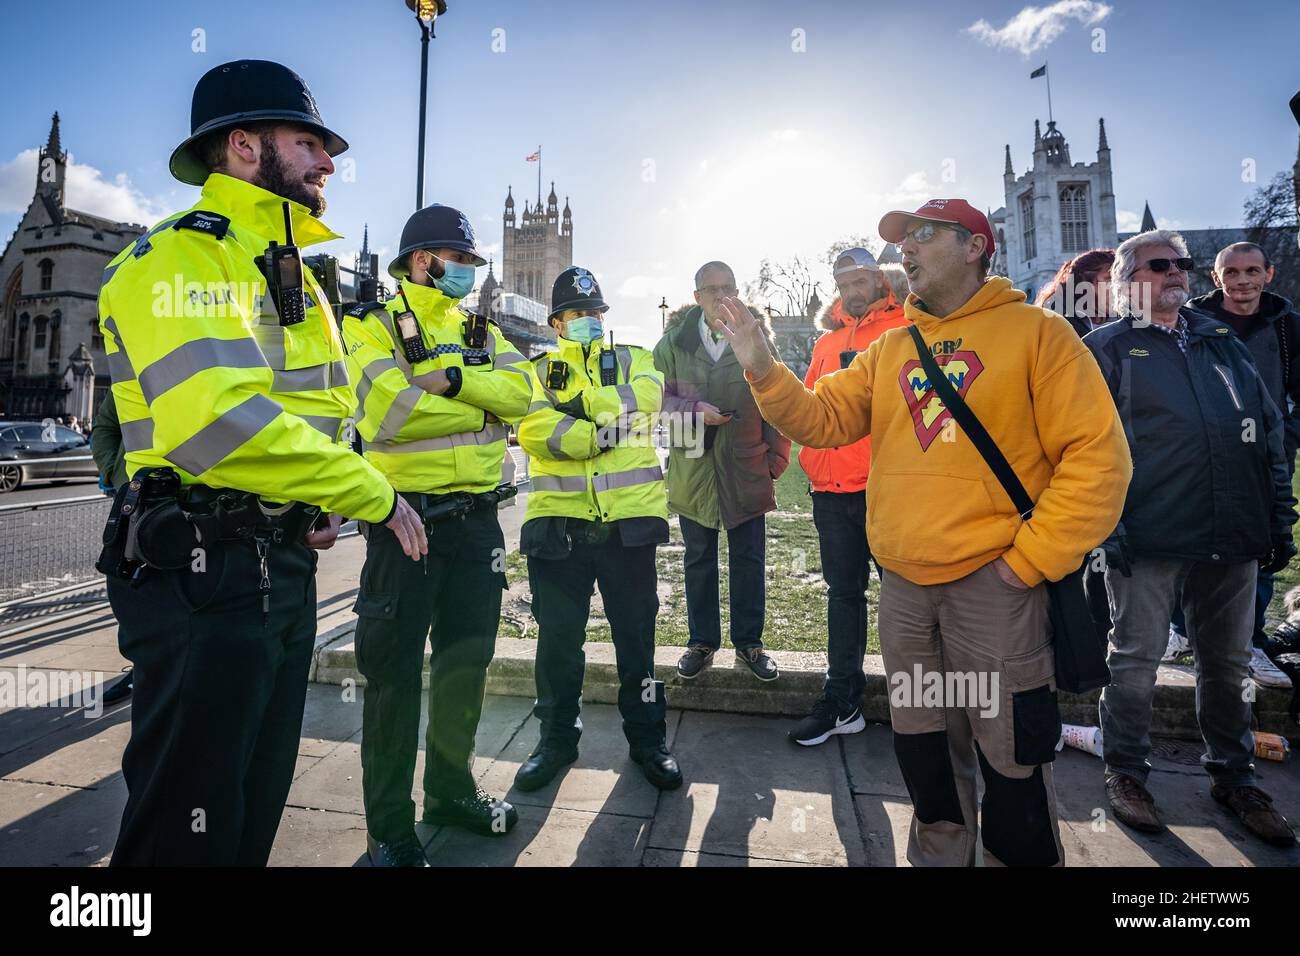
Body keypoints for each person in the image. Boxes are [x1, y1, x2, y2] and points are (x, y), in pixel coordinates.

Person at [722, 198, 1131, 866]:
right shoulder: (891, 349)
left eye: (924, 235)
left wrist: (1026, 564)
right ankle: (940, 854)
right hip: (907, 593)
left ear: (974, 247)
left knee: (1010, 749)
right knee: (925, 741)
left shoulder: (1037, 334)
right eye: (902, 239)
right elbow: (824, 421)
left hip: (996, 588)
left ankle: (1016, 857)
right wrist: (763, 367)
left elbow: (1098, 463)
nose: (906, 249)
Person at [98, 59, 425, 866]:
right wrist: (370, 492)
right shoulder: (178, 257)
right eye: (308, 141)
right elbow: (215, 422)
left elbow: (319, 410)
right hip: (202, 580)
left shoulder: (297, 275)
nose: (328, 162)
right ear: (244, 146)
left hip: (279, 568)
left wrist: (312, 505)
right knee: (185, 834)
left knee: (248, 821)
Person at [1086, 230, 1297, 847]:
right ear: (1128, 281)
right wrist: (1111, 526)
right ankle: (1125, 771)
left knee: (1227, 666)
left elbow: (1270, 435)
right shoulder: (1109, 349)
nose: (1178, 272)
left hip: (1233, 534)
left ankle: (1235, 777)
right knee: (1134, 661)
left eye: (1183, 263)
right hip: (1150, 536)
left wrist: (1278, 519)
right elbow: (1089, 451)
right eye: (1160, 265)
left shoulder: (1221, 341)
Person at [342, 204, 532, 866]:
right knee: (393, 679)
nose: (468, 275)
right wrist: (486, 405)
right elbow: (385, 410)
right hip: (406, 521)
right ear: (424, 261)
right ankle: (391, 830)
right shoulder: (368, 324)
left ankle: (450, 793)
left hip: (478, 520)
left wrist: (451, 380)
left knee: (466, 666)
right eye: (461, 263)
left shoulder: (481, 329)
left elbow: (527, 393)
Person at [514, 266, 681, 793]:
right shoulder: (534, 370)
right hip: (558, 529)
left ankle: (649, 741)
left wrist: (581, 409)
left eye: (593, 313)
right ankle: (556, 740)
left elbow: (646, 401)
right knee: (558, 646)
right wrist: (598, 432)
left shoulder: (637, 358)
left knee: (638, 644)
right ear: (556, 323)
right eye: (575, 314)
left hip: (627, 528)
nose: (586, 321)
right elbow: (536, 431)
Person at [787, 247, 908, 746]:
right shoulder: (826, 341)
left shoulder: (907, 328)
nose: (852, 291)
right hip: (832, 490)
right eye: (844, 282)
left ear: (880, 280)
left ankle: (925, 707)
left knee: (908, 603)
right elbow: (812, 408)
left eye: (860, 281)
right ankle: (842, 700)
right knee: (843, 597)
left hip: (890, 488)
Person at [655, 260, 788, 684]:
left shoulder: (757, 338)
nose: (720, 295)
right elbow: (654, 402)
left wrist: (774, 462)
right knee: (698, 560)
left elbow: (780, 401)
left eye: (728, 287)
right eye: (711, 289)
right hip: (694, 470)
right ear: (696, 297)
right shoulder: (674, 343)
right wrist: (694, 412)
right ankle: (702, 642)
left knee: (749, 559)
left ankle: (750, 642)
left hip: (746, 467)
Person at [1187, 242, 1300, 690]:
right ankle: (1188, 633)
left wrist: (1281, 438)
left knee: (1263, 543)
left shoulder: (1289, 328)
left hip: (1265, 457)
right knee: (1191, 542)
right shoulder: (1193, 322)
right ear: (1217, 279)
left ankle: (1249, 640)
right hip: (1201, 455)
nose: (1242, 281)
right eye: (1231, 272)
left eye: (1252, 271)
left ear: (1269, 273)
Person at [1034, 248, 1116, 337]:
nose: (1117, 286)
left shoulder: (1124, 317)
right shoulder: (1056, 320)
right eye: (1109, 280)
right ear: (1084, 282)